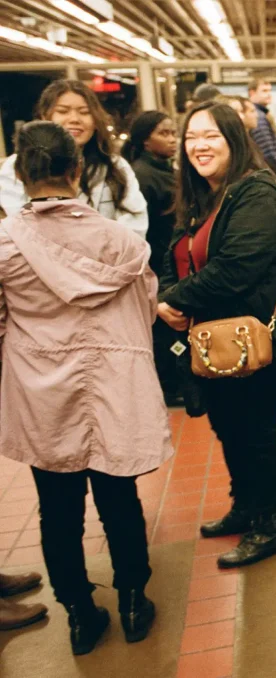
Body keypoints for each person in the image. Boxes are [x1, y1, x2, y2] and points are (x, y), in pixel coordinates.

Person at [0, 121, 172, 654]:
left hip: (42, 389)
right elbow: (144, 311)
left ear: (20, 173)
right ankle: (134, 602)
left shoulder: (6, 246)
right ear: (77, 170)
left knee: (57, 508)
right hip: (114, 385)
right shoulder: (123, 242)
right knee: (120, 496)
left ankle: (78, 613)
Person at [157, 102, 276, 569]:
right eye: (191, 137)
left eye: (211, 136)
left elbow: (235, 270)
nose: (199, 146)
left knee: (256, 432)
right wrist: (166, 294)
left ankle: (268, 524)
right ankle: (245, 506)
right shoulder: (203, 196)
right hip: (210, 340)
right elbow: (173, 253)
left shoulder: (256, 193)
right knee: (227, 428)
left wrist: (175, 300)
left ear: (234, 141)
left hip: (249, 338)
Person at [0, 79, 148, 238]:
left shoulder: (114, 165)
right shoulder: (18, 165)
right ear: (44, 116)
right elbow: (19, 223)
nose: (75, 119)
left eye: (84, 112)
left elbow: (136, 224)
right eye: (63, 111)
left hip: (107, 259)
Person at [122, 111, 182, 405]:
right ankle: (170, 386)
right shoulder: (142, 176)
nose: (172, 140)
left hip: (169, 262)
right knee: (163, 329)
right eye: (164, 134)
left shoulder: (165, 169)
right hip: (156, 263)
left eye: (174, 133)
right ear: (145, 140)